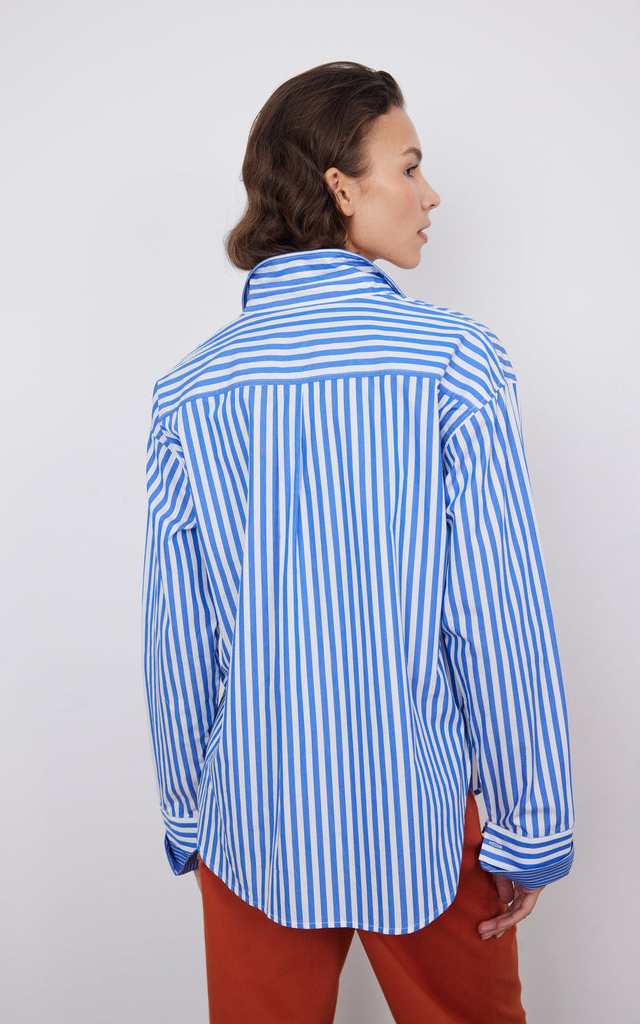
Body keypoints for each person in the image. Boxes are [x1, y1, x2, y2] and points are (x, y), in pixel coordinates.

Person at [141, 61, 574, 1023]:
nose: (429, 194)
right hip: (422, 818)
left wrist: (188, 813)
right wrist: (529, 826)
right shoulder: (452, 363)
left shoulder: (189, 394)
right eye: (408, 167)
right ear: (340, 187)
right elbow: (496, 615)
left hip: (250, 825)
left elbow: (179, 637)